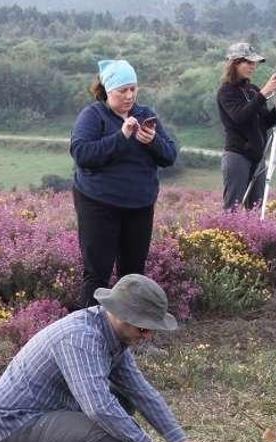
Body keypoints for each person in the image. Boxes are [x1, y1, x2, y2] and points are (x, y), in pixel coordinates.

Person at [0, 274, 215, 442]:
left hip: (47, 413)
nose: (147, 337)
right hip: (15, 423)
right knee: (110, 437)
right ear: (120, 316)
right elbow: (99, 408)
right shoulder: (81, 339)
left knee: (123, 404)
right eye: (143, 329)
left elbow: (141, 392)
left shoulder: (111, 334)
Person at [70, 60, 178, 308]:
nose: (129, 96)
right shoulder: (93, 115)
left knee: (133, 276)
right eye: (122, 90)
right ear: (108, 90)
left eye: (133, 89)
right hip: (98, 204)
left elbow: (169, 156)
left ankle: (128, 335)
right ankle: (89, 333)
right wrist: (121, 137)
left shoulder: (145, 115)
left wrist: (152, 141)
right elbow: (82, 154)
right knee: (97, 274)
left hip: (139, 206)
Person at [217, 42, 276, 210]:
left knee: (256, 209)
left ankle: (253, 237)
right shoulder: (226, 91)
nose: (253, 66)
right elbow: (240, 117)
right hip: (237, 156)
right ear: (235, 63)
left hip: (257, 157)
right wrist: (264, 93)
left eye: (254, 63)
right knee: (232, 209)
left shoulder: (252, 90)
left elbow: (265, 123)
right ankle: (227, 236)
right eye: (248, 62)